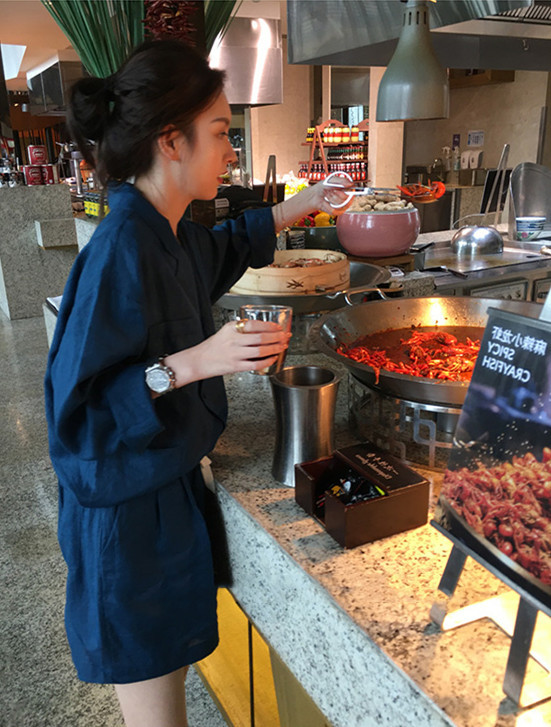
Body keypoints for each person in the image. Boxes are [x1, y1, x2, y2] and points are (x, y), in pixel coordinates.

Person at [44, 39, 350, 727]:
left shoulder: (166, 230)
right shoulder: (119, 249)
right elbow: (79, 422)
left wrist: (307, 202)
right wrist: (198, 360)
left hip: (163, 498)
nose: (230, 153)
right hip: (125, 523)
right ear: (169, 141)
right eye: (218, 133)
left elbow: (225, 246)